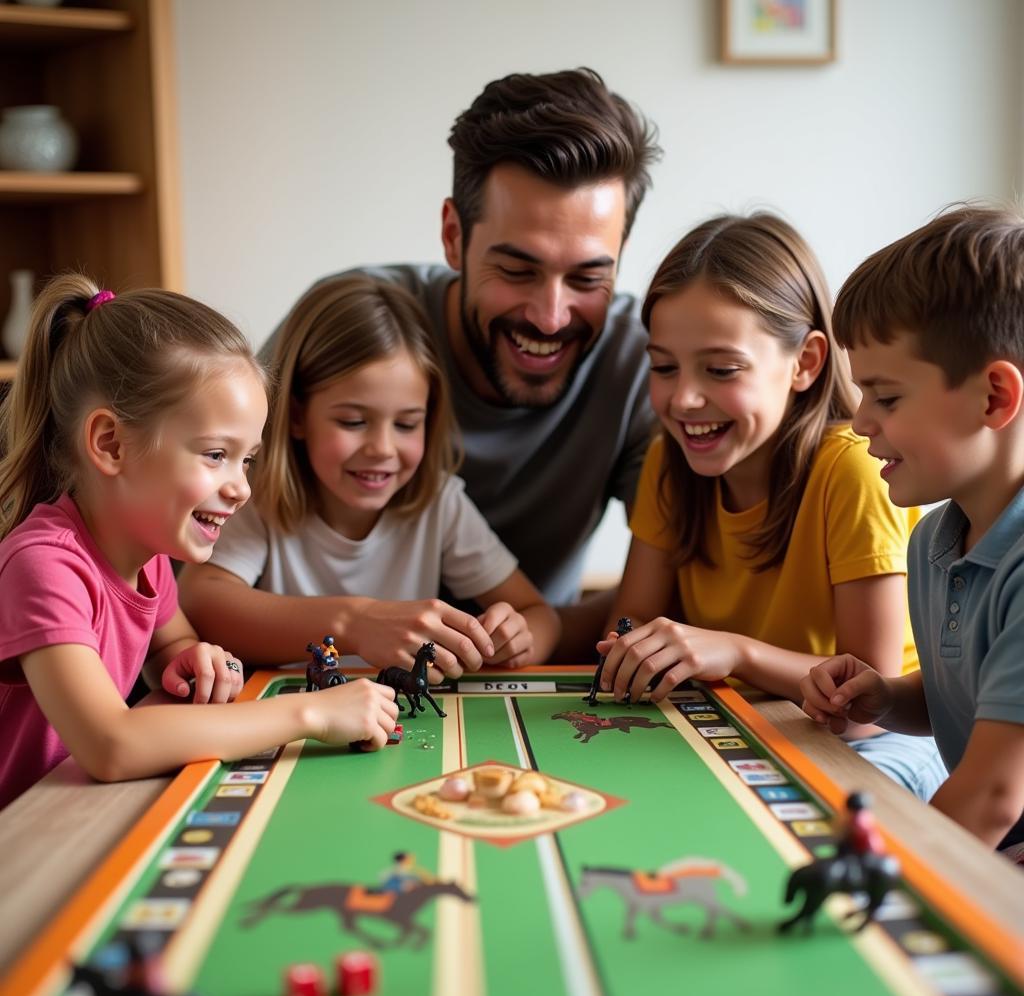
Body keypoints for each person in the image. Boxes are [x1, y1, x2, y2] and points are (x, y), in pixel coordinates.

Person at [262, 68, 662, 659]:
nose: (551, 317)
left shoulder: (648, 364)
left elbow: (670, 585)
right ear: (453, 236)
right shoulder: (358, 326)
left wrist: (528, 636)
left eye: (587, 277)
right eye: (518, 270)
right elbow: (192, 543)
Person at [0, 275, 399, 810]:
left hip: (71, 810)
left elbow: (173, 644)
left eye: (247, 459)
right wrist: (313, 714)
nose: (241, 488)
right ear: (110, 443)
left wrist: (194, 657)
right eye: (215, 455)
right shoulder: (44, 565)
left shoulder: (148, 556)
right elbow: (109, 745)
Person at [592, 213, 945, 800]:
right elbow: (623, 630)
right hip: (753, 719)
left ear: (806, 362)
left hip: (882, 740)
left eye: (722, 369)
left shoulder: (852, 468)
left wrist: (736, 652)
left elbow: (863, 705)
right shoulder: (667, 462)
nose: (684, 398)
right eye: (662, 367)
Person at [179, 276, 560, 678]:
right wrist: (356, 623)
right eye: (354, 421)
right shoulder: (259, 494)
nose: (382, 448)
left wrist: (518, 637)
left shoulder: (439, 502)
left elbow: (540, 615)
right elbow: (201, 602)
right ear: (296, 416)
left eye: (407, 424)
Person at [799, 206, 1024, 860]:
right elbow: (970, 698)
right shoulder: (933, 541)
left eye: (886, 398)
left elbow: (992, 796)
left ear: (993, 399)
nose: (860, 420)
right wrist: (887, 697)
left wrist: (868, 869)